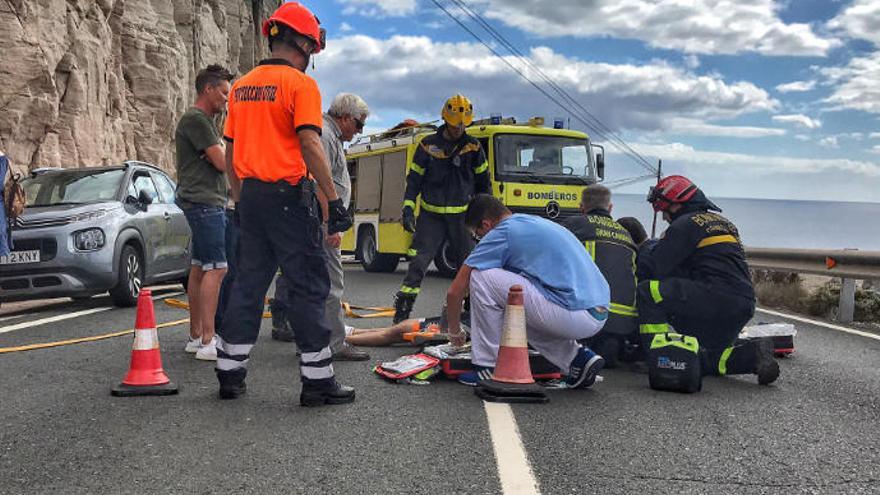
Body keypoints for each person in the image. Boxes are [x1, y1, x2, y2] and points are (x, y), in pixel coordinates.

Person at [217, 2, 355, 406]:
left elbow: (230, 151)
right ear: (303, 43)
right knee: (308, 288)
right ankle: (317, 382)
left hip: (253, 200)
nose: (312, 57)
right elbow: (310, 143)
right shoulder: (301, 86)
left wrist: (240, 201)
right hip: (290, 200)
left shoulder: (241, 87)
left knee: (247, 286)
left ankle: (230, 373)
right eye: (312, 47)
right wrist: (333, 200)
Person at [445, 194, 611, 388]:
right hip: (597, 312)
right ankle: (578, 359)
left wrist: (454, 331)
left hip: (572, 313)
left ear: (486, 225)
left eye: (477, 235)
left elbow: (455, 290)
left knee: (481, 277)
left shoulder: (502, 232)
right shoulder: (533, 223)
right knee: (515, 310)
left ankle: (487, 366)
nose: (479, 240)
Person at [638, 175, 779, 384]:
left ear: (677, 205)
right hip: (742, 304)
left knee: (648, 291)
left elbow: (656, 267)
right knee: (700, 357)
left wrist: (647, 248)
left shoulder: (684, 225)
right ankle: (752, 355)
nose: (664, 217)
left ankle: (657, 356)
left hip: (712, 297)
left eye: (665, 211)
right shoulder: (724, 223)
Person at [271, 93, 372, 362]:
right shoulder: (326, 135)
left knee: (311, 282)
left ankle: (310, 341)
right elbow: (317, 180)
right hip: (322, 221)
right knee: (330, 284)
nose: (359, 131)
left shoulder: (326, 133)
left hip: (314, 219)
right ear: (345, 117)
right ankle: (333, 344)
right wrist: (330, 224)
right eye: (358, 124)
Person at [392, 94, 490, 323]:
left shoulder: (473, 148)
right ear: (445, 120)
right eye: (456, 125)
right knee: (417, 264)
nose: (459, 129)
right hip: (431, 217)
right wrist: (407, 209)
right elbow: (414, 180)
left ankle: (470, 315)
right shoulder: (428, 146)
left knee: (468, 269)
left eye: (463, 125)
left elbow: (484, 185)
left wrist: (484, 217)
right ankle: (402, 313)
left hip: (463, 218)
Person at [175, 64, 234, 361]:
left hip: (200, 199)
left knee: (200, 267)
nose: (227, 98)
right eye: (224, 92)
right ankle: (209, 341)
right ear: (208, 89)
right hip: (204, 201)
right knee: (217, 267)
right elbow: (223, 162)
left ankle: (196, 335)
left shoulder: (203, 121)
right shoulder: (197, 120)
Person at [562, 185, 638, 367]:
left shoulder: (574, 224)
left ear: (581, 207)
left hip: (590, 318)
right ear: (610, 208)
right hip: (626, 323)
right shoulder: (626, 234)